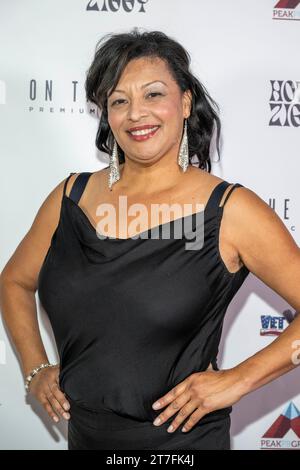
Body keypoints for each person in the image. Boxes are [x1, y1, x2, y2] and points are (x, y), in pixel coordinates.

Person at [1, 28, 300, 451]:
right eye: (119, 100)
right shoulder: (70, 197)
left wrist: (237, 381)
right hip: (85, 439)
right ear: (107, 114)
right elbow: (14, 281)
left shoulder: (231, 211)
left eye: (154, 94)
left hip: (182, 447)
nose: (136, 113)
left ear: (185, 103)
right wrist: (35, 368)